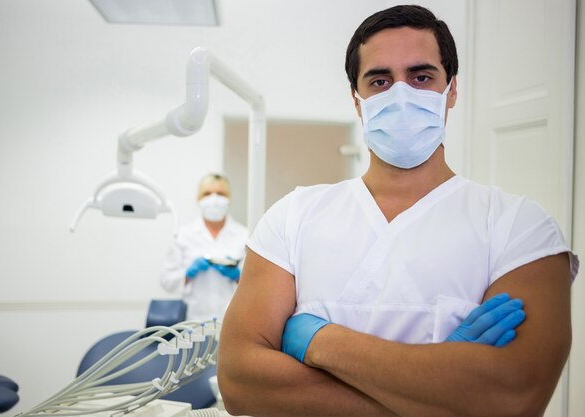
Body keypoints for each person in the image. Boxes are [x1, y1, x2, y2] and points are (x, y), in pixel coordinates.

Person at [218, 5, 579, 417]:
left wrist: (319, 342)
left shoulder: (520, 228)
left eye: (421, 77)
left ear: (452, 90)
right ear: (357, 100)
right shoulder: (292, 218)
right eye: (380, 80)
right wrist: (443, 392)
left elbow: (513, 396)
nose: (401, 93)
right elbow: (239, 381)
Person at [160, 173, 248, 322]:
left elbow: (256, 286)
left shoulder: (244, 235)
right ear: (198, 199)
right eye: (207, 193)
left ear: (229, 199)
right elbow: (166, 282)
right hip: (194, 321)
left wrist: (239, 276)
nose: (214, 199)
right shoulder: (182, 235)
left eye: (220, 194)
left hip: (233, 321)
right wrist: (188, 273)